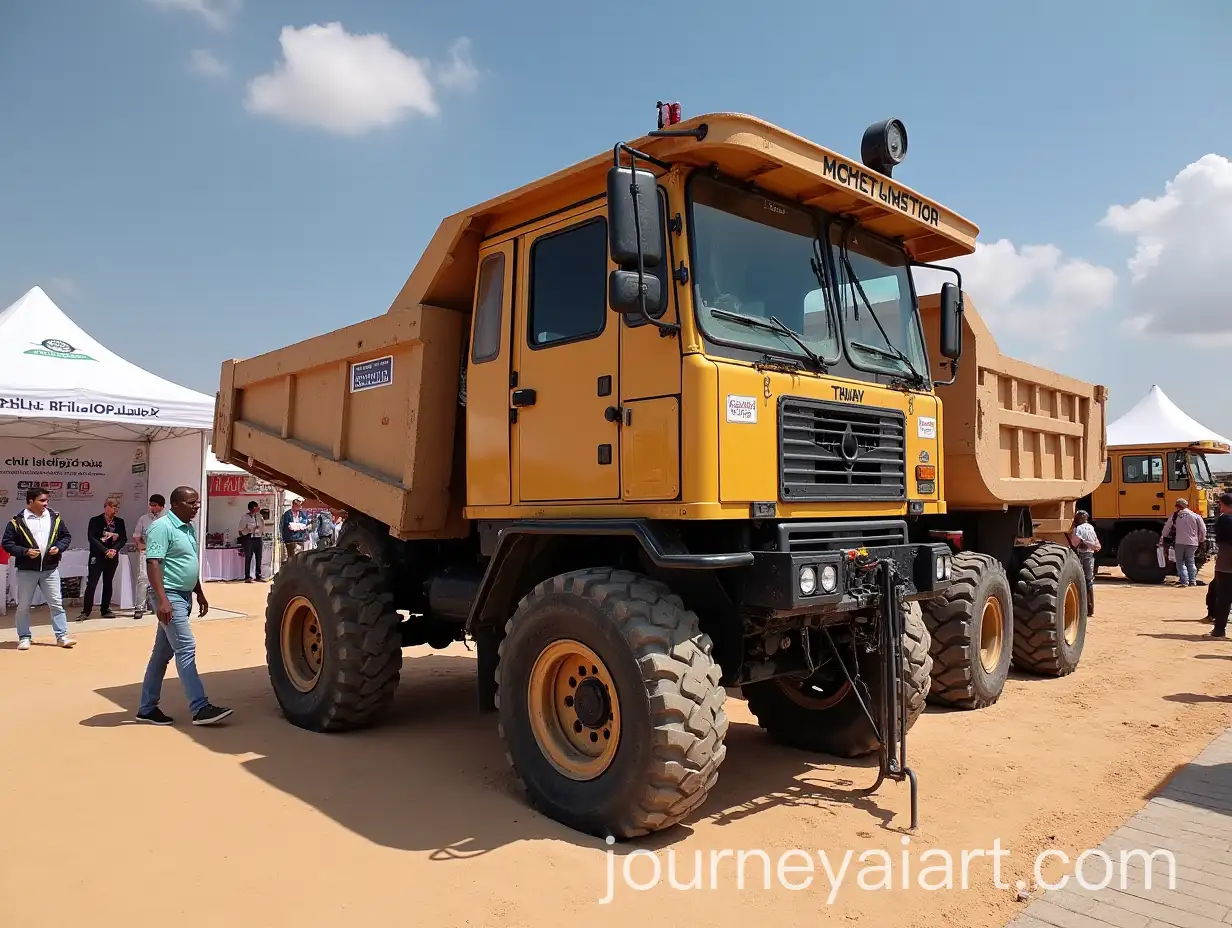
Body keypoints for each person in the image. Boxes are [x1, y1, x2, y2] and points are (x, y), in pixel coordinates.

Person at [136, 485, 232, 725]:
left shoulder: (187, 528)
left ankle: (146, 709)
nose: (196, 507)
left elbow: (188, 561)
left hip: (184, 595)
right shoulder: (161, 527)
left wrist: (199, 591)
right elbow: (153, 563)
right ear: (176, 505)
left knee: (161, 654)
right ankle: (200, 708)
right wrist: (163, 600)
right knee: (186, 647)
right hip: (169, 597)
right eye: (191, 503)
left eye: (197, 503)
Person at [2, 487, 76, 650]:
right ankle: (24, 637)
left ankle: (61, 635)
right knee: (23, 606)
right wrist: (25, 551)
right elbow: (7, 543)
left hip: (50, 569)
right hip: (27, 571)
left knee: (56, 603)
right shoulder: (17, 521)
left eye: (46, 500)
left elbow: (66, 537)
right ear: (30, 502)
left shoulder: (55, 517)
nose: (46, 503)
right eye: (42, 500)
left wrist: (59, 547)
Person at [79, 499, 128, 620]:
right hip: (98, 555)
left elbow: (123, 538)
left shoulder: (119, 522)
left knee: (108, 582)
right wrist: (105, 550)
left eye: (117, 507)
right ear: (106, 507)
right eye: (113, 507)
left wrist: (114, 550)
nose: (115, 509)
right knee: (92, 583)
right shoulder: (95, 520)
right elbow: (92, 538)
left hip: (112, 556)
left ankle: (105, 609)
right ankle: (86, 611)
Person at [131, 494, 166, 619]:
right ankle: (139, 607)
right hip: (147, 552)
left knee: (161, 579)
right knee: (143, 578)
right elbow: (136, 534)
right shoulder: (143, 518)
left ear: (162, 507)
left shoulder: (167, 519)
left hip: (163, 553)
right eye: (151, 504)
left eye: (155, 505)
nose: (152, 507)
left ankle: (156, 603)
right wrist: (139, 544)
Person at [1161, 498, 1207, 588]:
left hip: (1179, 542)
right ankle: (1192, 581)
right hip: (1193, 542)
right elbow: (1203, 529)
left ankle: (1184, 581)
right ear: (1186, 506)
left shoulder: (1175, 516)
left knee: (1180, 563)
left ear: (1177, 506)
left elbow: (1167, 528)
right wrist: (1201, 539)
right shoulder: (1195, 516)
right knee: (1190, 561)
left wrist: (1163, 537)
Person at [1067, 510, 1100, 617]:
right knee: (1089, 581)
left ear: (1080, 518)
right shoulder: (1091, 527)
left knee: (1079, 580)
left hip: (1081, 555)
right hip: (1090, 555)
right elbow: (1095, 541)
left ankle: (1082, 608)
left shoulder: (1079, 528)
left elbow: (1074, 542)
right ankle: (1091, 609)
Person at [1209, 492, 1232, 640]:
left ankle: (1219, 630)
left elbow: (1218, 538)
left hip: (1225, 564)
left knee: (1224, 598)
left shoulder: (1223, 520)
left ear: (1223, 505)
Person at [237, 500, 265, 582]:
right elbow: (240, 529)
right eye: (255, 508)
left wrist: (260, 531)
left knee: (259, 557)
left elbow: (262, 525)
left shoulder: (259, 516)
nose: (256, 510)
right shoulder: (245, 517)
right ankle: (247, 576)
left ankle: (258, 575)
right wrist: (247, 532)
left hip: (258, 537)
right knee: (248, 557)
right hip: (249, 538)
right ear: (251, 509)